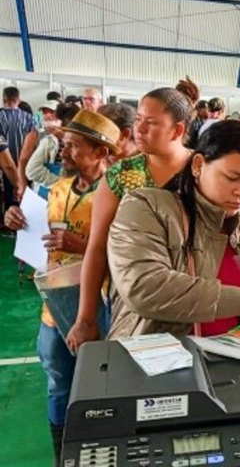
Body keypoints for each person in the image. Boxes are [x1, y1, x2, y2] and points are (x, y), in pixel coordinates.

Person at [4, 109, 119, 464]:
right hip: (54, 307)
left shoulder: (120, 196)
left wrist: (81, 246)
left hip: (101, 307)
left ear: (101, 153)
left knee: (103, 387)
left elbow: (128, 257)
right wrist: (15, 218)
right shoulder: (58, 189)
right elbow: (39, 229)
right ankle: (63, 455)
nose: (63, 152)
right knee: (58, 382)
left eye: (73, 146)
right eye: (64, 144)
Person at [107, 121, 240, 340]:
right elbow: (143, 287)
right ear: (198, 165)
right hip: (155, 356)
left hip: (235, 358)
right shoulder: (146, 208)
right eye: (232, 178)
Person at [66, 88, 194, 352]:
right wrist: (85, 318)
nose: (140, 129)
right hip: (132, 299)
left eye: (151, 122)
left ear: (177, 130)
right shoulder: (121, 175)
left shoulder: (203, 170)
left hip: (193, 295)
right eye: (138, 120)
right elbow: (98, 247)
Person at [1, 86, 38, 207]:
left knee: (9, 207)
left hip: (5, 172)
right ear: (19, 100)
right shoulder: (30, 119)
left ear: (3, 100)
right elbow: (33, 146)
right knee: (25, 205)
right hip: (26, 171)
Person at [25, 100, 64, 195]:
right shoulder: (37, 134)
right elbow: (26, 162)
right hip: (43, 187)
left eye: (51, 112)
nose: (47, 115)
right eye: (44, 112)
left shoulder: (67, 137)